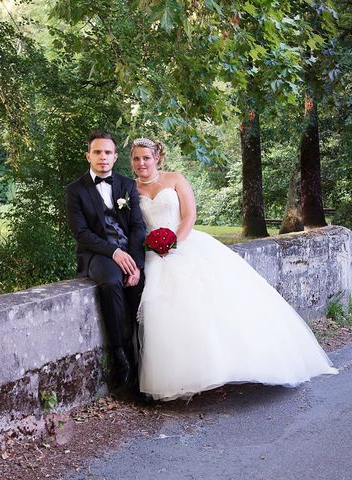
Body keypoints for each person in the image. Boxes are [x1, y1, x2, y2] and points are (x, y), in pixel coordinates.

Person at [129, 137, 338, 401]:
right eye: (136, 158)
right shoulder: (130, 188)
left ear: (157, 158)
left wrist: (172, 241)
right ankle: (181, 375)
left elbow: (189, 215)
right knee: (164, 309)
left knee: (214, 301)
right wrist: (153, 247)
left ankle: (230, 364)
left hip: (182, 242)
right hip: (152, 252)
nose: (141, 163)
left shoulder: (175, 179)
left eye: (146, 157)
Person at [66, 131, 147, 385]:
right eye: (98, 152)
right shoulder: (75, 190)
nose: (103, 157)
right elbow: (82, 234)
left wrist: (136, 265)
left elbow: (137, 227)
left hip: (128, 251)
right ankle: (119, 356)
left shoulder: (127, 185)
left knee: (141, 285)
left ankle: (142, 357)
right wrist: (113, 252)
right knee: (111, 282)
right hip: (97, 253)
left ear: (115, 156)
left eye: (108, 152)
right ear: (88, 155)